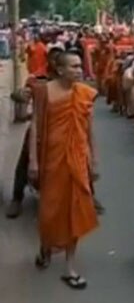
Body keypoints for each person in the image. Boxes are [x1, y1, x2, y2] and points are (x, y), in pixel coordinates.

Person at [28, 51, 98, 290]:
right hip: (51, 159)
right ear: (60, 70)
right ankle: (46, 246)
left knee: (75, 211)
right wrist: (33, 161)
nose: (79, 70)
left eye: (80, 66)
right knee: (50, 211)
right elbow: (35, 127)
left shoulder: (84, 94)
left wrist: (94, 160)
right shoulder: (44, 92)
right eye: (74, 66)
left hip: (77, 161)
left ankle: (70, 266)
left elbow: (88, 130)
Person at [5, 47, 62, 219]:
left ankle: (88, 195)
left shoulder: (69, 80)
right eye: (53, 59)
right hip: (40, 127)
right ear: (49, 61)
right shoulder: (37, 78)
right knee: (24, 159)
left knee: (80, 160)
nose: (56, 63)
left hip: (64, 128)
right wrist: (19, 94)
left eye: (59, 60)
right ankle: (17, 198)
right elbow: (19, 95)